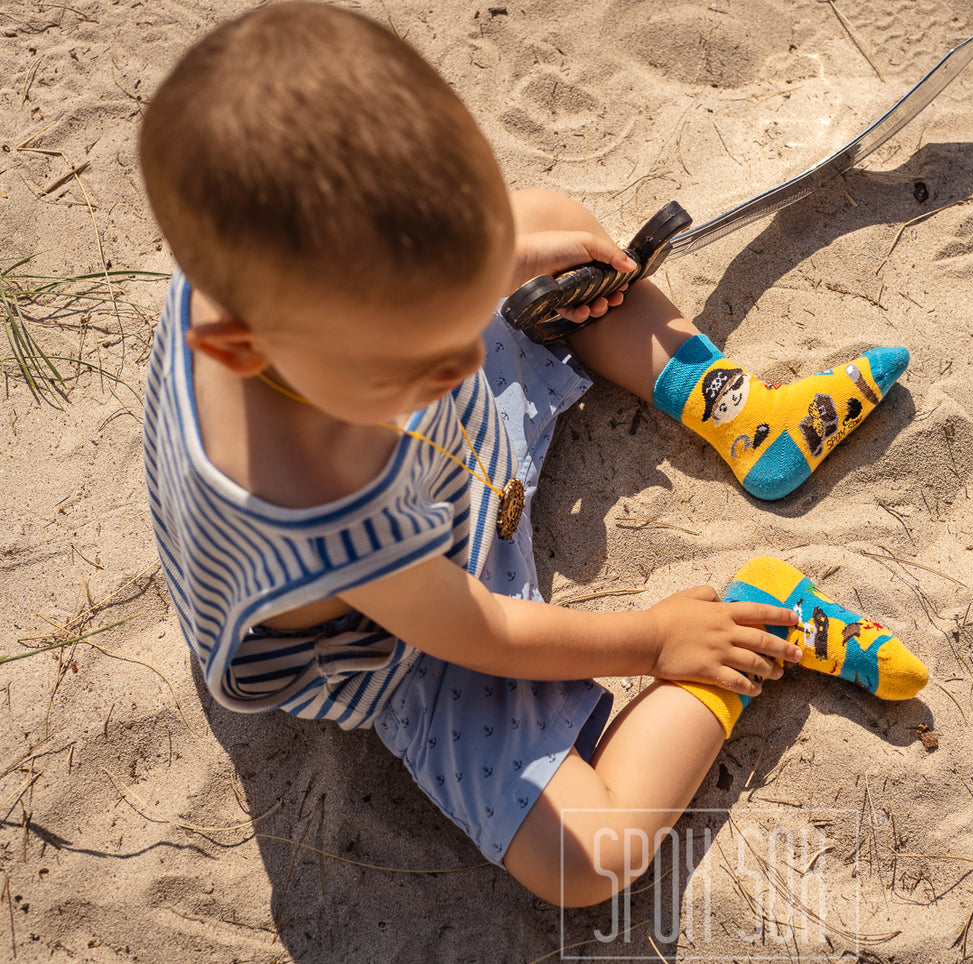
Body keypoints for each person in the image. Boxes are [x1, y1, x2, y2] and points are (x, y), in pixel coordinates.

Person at [138, 2, 927, 906]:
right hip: (402, 629)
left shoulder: (261, 260)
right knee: (584, 863)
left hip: (431, 477)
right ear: (248, 344)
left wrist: (502, 253)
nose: (466, 353)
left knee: (545, 220)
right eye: (422, 348)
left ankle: (742, 415)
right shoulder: (320, 502)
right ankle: (760, 618)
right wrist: (658, 637)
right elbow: (482, 631)